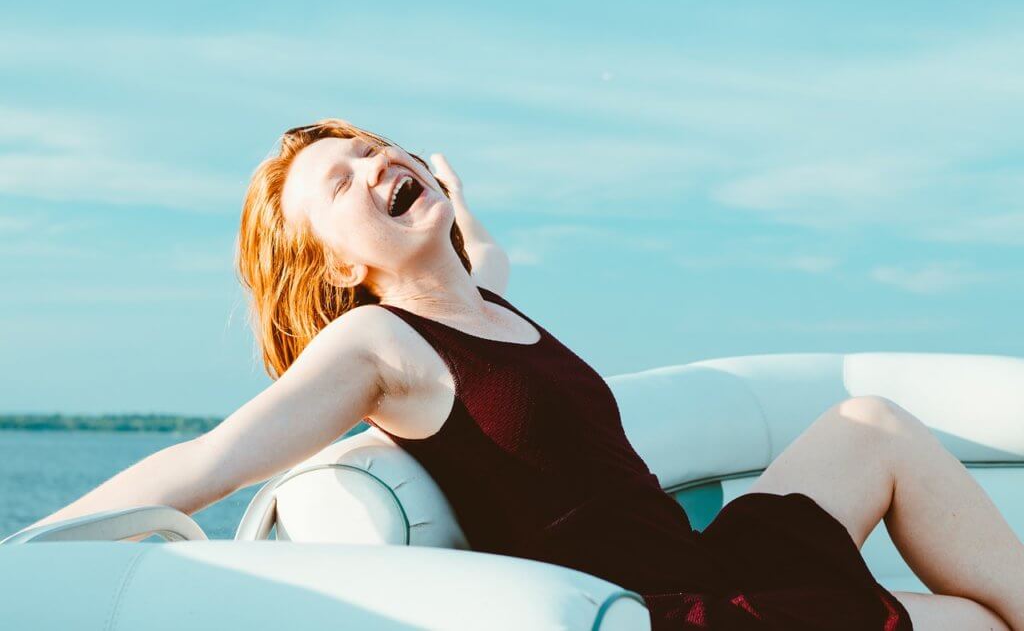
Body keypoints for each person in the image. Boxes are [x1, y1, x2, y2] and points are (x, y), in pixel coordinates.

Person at [22, 119, 1023, 630]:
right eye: (343, 179)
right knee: (971, 621)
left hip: (702, 556)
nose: (375, 165)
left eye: (378, 149)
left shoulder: (480, 296)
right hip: (660, 611)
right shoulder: (379, 346)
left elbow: (485, 264)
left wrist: (464, 210)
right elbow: (208, 462)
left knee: (870, 420)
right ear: (336, 262)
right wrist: (28, 550)